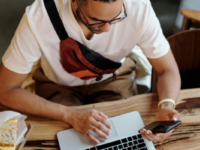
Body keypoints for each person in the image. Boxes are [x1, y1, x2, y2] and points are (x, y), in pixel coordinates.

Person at [0, 0, 181, 144]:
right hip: (57, 84)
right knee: (65, 140)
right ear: (74, 1)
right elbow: (5, 89)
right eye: (96, 21)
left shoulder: (139, 8)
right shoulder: (39, 17)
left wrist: (166, 105)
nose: (107, 29)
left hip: (113, 78)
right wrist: (68, 114)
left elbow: (167, 69)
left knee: (123, 138)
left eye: (117, 17)